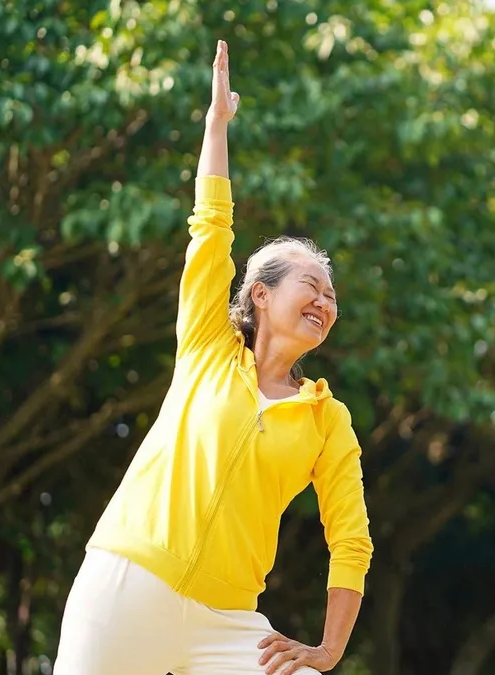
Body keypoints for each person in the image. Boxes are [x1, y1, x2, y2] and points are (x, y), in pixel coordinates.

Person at [54, 40, 373, 675]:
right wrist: (215, 126)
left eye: (333, 297)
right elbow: (211, 226)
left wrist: (328, 651)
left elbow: (351, 542)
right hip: (125, 583)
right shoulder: (206, 343)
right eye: (313, 286)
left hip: (226, 622)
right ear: (260, 293)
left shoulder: (325, 420)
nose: (326, 303)